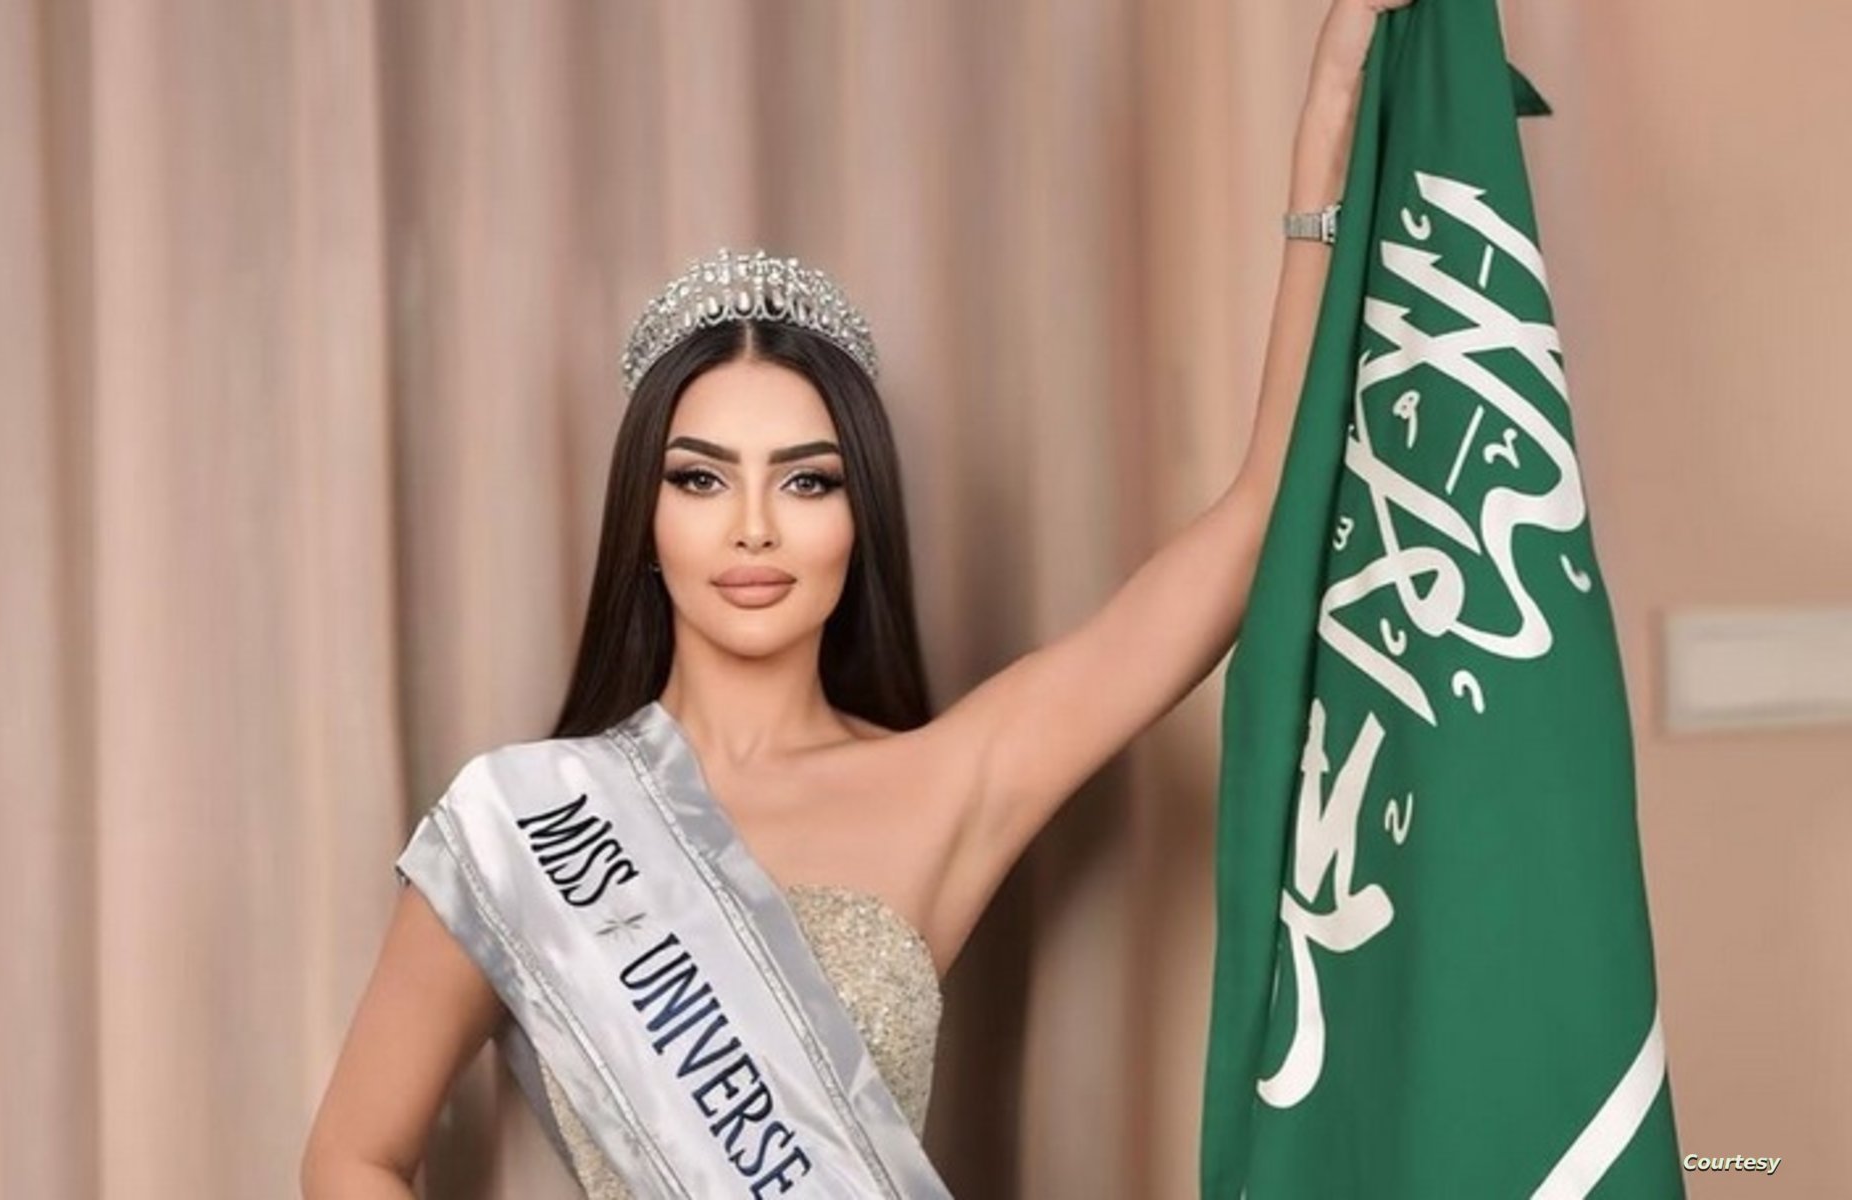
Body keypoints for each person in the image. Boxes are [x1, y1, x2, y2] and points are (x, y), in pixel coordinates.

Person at [302, 2, 1413, 1195]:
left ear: (857, 517)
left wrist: (1326, 127)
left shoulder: (945, 784)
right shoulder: (529, 822)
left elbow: (1257, 517)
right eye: (700, 479)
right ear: (645, 520)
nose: (753, 525)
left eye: (807, 480)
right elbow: (351, 1156)